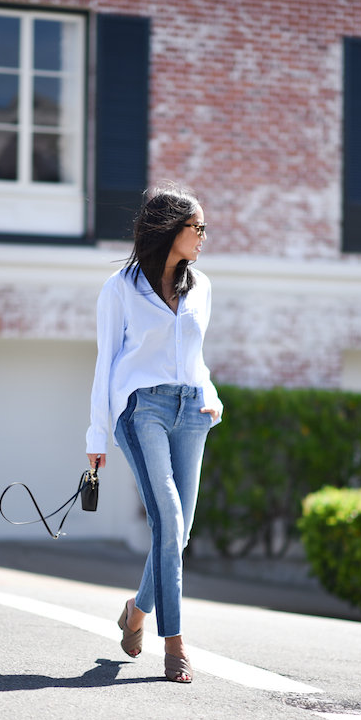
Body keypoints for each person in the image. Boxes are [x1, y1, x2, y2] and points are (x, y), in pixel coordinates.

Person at [86, 183, 223, 683]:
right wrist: (96, 438)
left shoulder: (201, 286)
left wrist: (210, 396)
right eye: (198, 227)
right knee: (167, 517)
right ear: (172, 230)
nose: (205, 236)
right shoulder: (120, 288)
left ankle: (136, 612)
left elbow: (195, 356)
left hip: (192, 411)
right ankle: (176, 643)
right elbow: (106, 365)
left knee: (178, 531)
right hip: (142, 409)